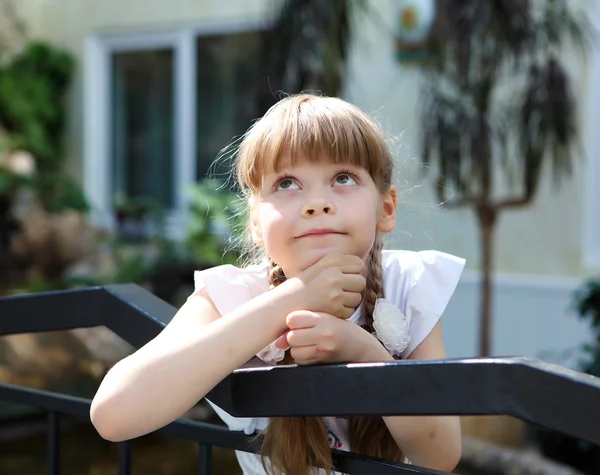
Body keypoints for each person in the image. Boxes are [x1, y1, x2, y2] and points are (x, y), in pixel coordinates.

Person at [90, 94, 465, 475]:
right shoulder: (234, 296)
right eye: (287, 183)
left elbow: (440, 455)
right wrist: (293, 298)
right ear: (255, 222)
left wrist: (368, 355)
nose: (317, 203)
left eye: (343, 178)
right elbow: (113, 414)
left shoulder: (408, 286)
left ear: (386, 208)